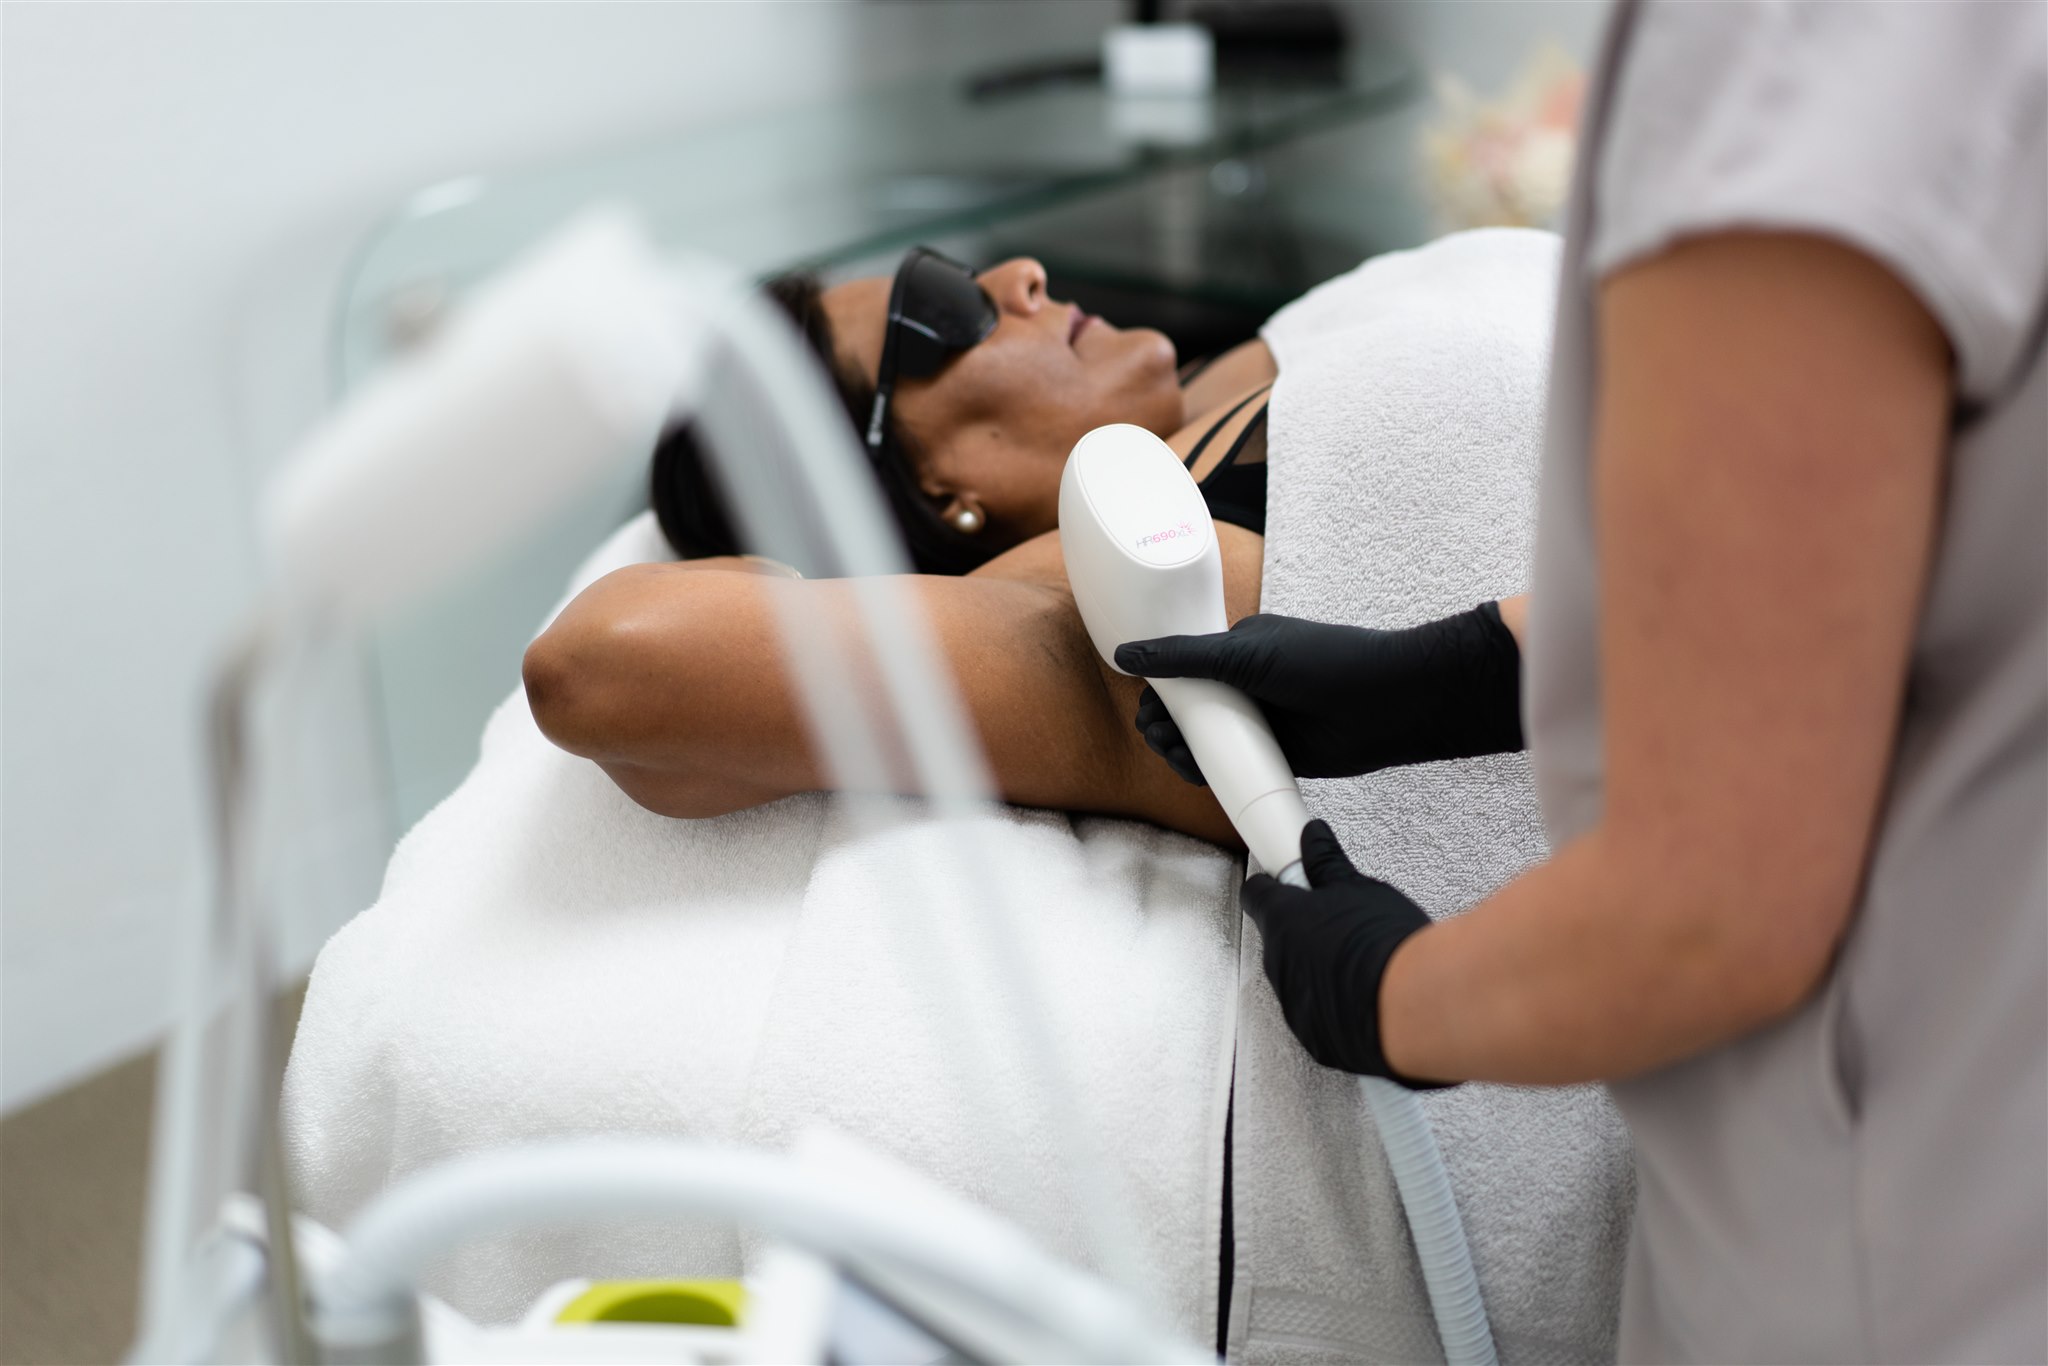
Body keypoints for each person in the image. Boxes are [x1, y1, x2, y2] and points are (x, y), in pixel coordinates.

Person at [1119, 2, 2047, 1359]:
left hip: (1909, 1255)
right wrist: (1460, 669)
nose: (1019, 286)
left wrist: (1391, 994)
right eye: (928, 323)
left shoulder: (1791, 51)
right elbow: (1884, 544)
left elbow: (1715, 905)